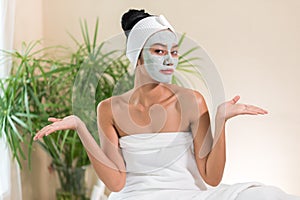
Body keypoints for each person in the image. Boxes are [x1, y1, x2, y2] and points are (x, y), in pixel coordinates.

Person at [34, 9, 300, 200]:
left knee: (266, 195)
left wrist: (221, 120)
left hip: (187, 195)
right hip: (134, 196)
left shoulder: (191, 101)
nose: (169, 60)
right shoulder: (109, 108)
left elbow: (211, 177)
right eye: (159, 51)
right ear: (137, 58)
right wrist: (81, 128)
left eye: (174, 52)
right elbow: (116, 182)